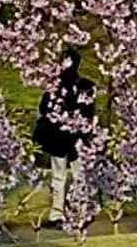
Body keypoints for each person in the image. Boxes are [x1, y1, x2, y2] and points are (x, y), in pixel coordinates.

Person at [33, 45, 96, 228]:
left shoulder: (55, 85)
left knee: (59, 176)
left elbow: (44, 109)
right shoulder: (86, 86)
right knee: (78, 175)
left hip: (59, 137)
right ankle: (80, 213)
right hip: (76, 138)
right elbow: (89, 113)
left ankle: (58, 214)